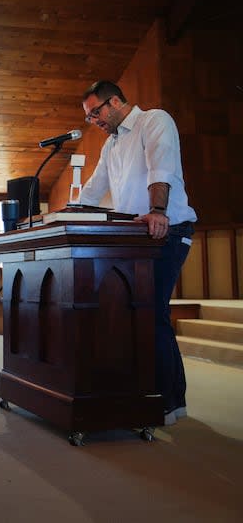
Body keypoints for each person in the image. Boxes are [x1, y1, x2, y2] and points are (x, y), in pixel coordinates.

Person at [79, 80, 197, 426]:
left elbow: (163, 167)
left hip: (166, 231)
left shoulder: (154, 121)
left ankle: (168, 401)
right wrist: (61, 216)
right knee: (134, 316)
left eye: (95, 113)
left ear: (114, 101)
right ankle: (141, 392)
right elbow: (94, 188)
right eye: (89, 118)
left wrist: (158, 210)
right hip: (132, 238)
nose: (94, 121)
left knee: (151, 315)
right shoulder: (111, 145)